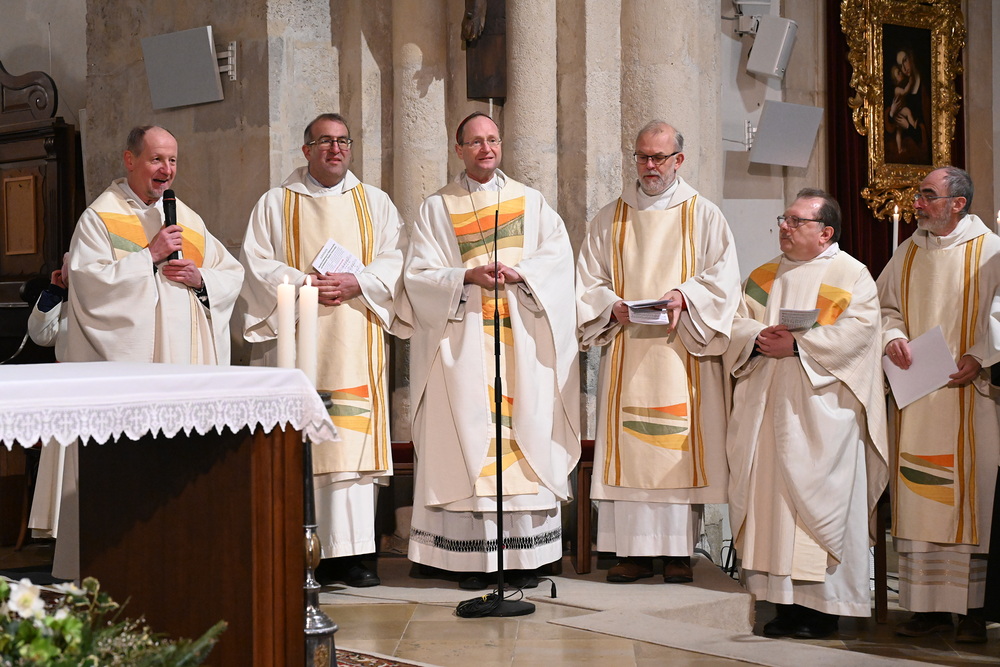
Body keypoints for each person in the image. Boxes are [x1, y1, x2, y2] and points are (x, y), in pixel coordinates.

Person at [49, 125, 244, 580]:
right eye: (157, 159)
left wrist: (202, 280)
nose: (166, 170)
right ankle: (113, 565)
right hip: (135, 371)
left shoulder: (187, 218)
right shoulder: (100, 218)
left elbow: (230, 272)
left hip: (184, 368)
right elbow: (89, 286)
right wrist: (148, 256)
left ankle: (181, 560)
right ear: (130, 160)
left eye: (173, 161)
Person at [403, 111, 579, 589]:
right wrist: (465, 276)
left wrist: (523, 274)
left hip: (522, 342)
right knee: (469, 439)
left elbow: (558, 259)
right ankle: (474, 561)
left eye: (493, 140)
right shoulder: (437, 208)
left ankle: (525, 557)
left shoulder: (530, 201)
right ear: (458, 149)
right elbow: (417, 275)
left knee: (523, 437)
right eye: (476, 141)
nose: (486, 148)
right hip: (463, 343)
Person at [239, 113, 409, 588]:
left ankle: (355, 556)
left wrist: (359, 282)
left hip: (357, 332)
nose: (335, 149)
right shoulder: (276, 203)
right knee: (307, 447)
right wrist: (303, 283)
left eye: (343, 141)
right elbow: (255, 263)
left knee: (352, 445)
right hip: (301, 336)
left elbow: (397, 258)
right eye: (325, 142)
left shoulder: (375, 202)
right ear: (306, 150)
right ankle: (303, 552)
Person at [576, 120, 740, 583]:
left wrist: (685, 296)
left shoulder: (704, 215)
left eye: (659, 157)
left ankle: (675, 554)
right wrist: (611, 307)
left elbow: (724, 279)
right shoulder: (610, 218)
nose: (650, 166)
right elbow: (587, 281)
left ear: (678, 160)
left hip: (679, 351)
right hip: (627, 350)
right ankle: (631, 553)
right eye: (642, 156)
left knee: (673, 450)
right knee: (630, 447)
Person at [725, 189, 888, 639]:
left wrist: (797, 345)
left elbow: (860, 333)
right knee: (772, 505)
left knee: (820, 505)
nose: (785, 227)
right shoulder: (762, 276)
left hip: (823, 416)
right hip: (766, 409)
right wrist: (757, 338)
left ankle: (823, 610)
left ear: (825, 233)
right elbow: (734, 324)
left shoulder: (851, 274)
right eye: (784, 219)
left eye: (797, 221)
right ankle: (783, 606)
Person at [878, 166, 999, 644]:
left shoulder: (990, 250)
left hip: (971, 397)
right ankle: (927, 608)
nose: (917, 203)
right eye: (919, 195)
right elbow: (884, 308)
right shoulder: (907, 253)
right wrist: (892, 337)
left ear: (958, 203)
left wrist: (980, 355)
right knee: (920, 495)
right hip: (917, 397)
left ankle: (972, 611)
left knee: (974, 500)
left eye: (928, 195)